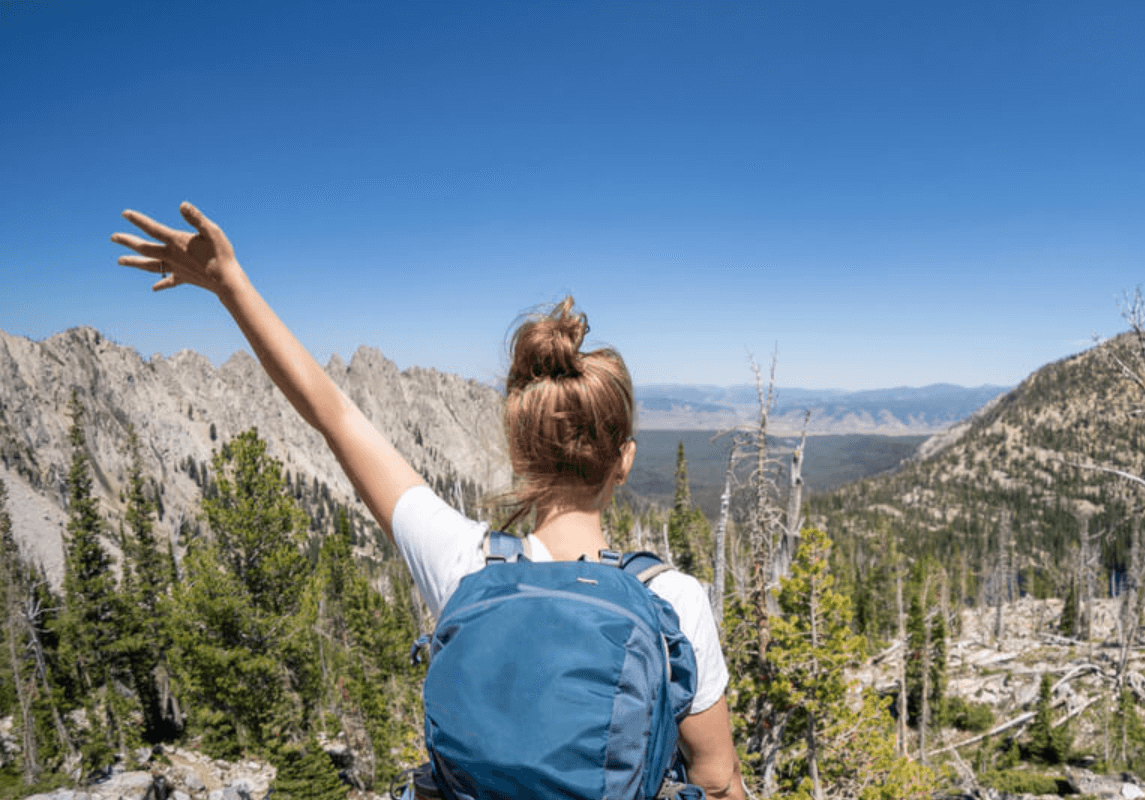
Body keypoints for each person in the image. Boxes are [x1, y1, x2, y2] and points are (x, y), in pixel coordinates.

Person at [111, 203, 747, 800]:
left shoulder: (464, 566)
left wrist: (231, 285)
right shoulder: (674, 602)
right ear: (626, 460)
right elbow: (718, 785)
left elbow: (334, 417)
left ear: (517, 451)